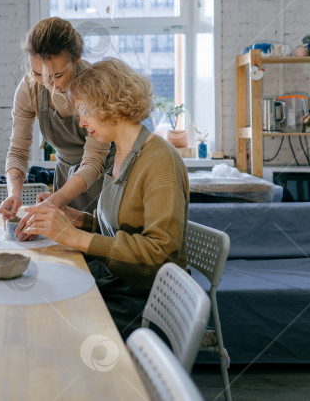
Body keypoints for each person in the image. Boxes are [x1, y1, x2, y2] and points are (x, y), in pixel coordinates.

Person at [22, 58, 189, 336]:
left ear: (111, 105)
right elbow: (123, 228)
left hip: (146, 303)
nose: (82, 122)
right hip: (118, 286)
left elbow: (158, 255)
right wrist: (78, 221)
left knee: (47, 324)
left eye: (85, 111)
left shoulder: (160, 162)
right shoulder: (120, 154)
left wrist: (75, 238)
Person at [0, 17, 113, 221]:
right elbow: (18, 150)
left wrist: (52, 202)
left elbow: (94, 161)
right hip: (66, 179)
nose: (48, 84)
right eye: (38, 74)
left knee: (99, 239)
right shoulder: (29, 89)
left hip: (104, 179)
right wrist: (14, 194)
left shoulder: (96, 88)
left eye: (57, 75)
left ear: (76, 58)